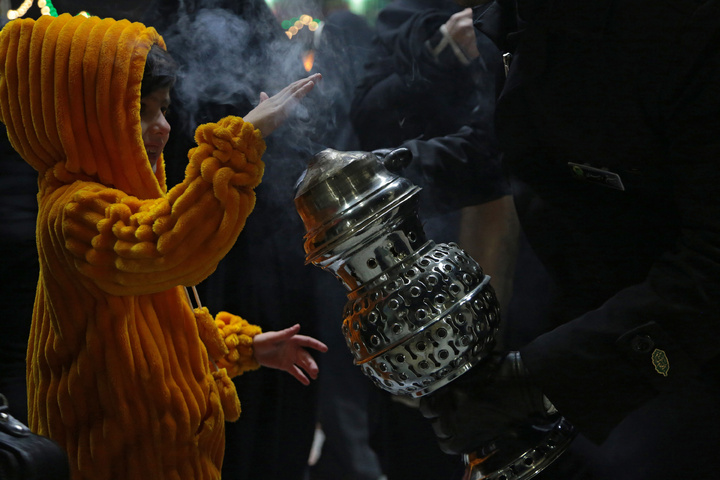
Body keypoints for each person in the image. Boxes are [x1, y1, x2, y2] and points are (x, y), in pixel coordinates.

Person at [0, 13, 326, 480]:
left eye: (164, 109)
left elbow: (161, 325)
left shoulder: (127, 196)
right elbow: (165, 245)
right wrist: (240, 140)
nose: (163, 127)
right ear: (83, 116)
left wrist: (244, 346)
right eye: (142, 112)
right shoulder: (74, 211)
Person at [406, 1, 720, 479]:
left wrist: (543, 377)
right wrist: (396, 173)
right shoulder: (520, 16)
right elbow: (519, 145)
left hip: (684, 362)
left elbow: (712, 262)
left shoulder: (686, 28)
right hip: (588, 335)